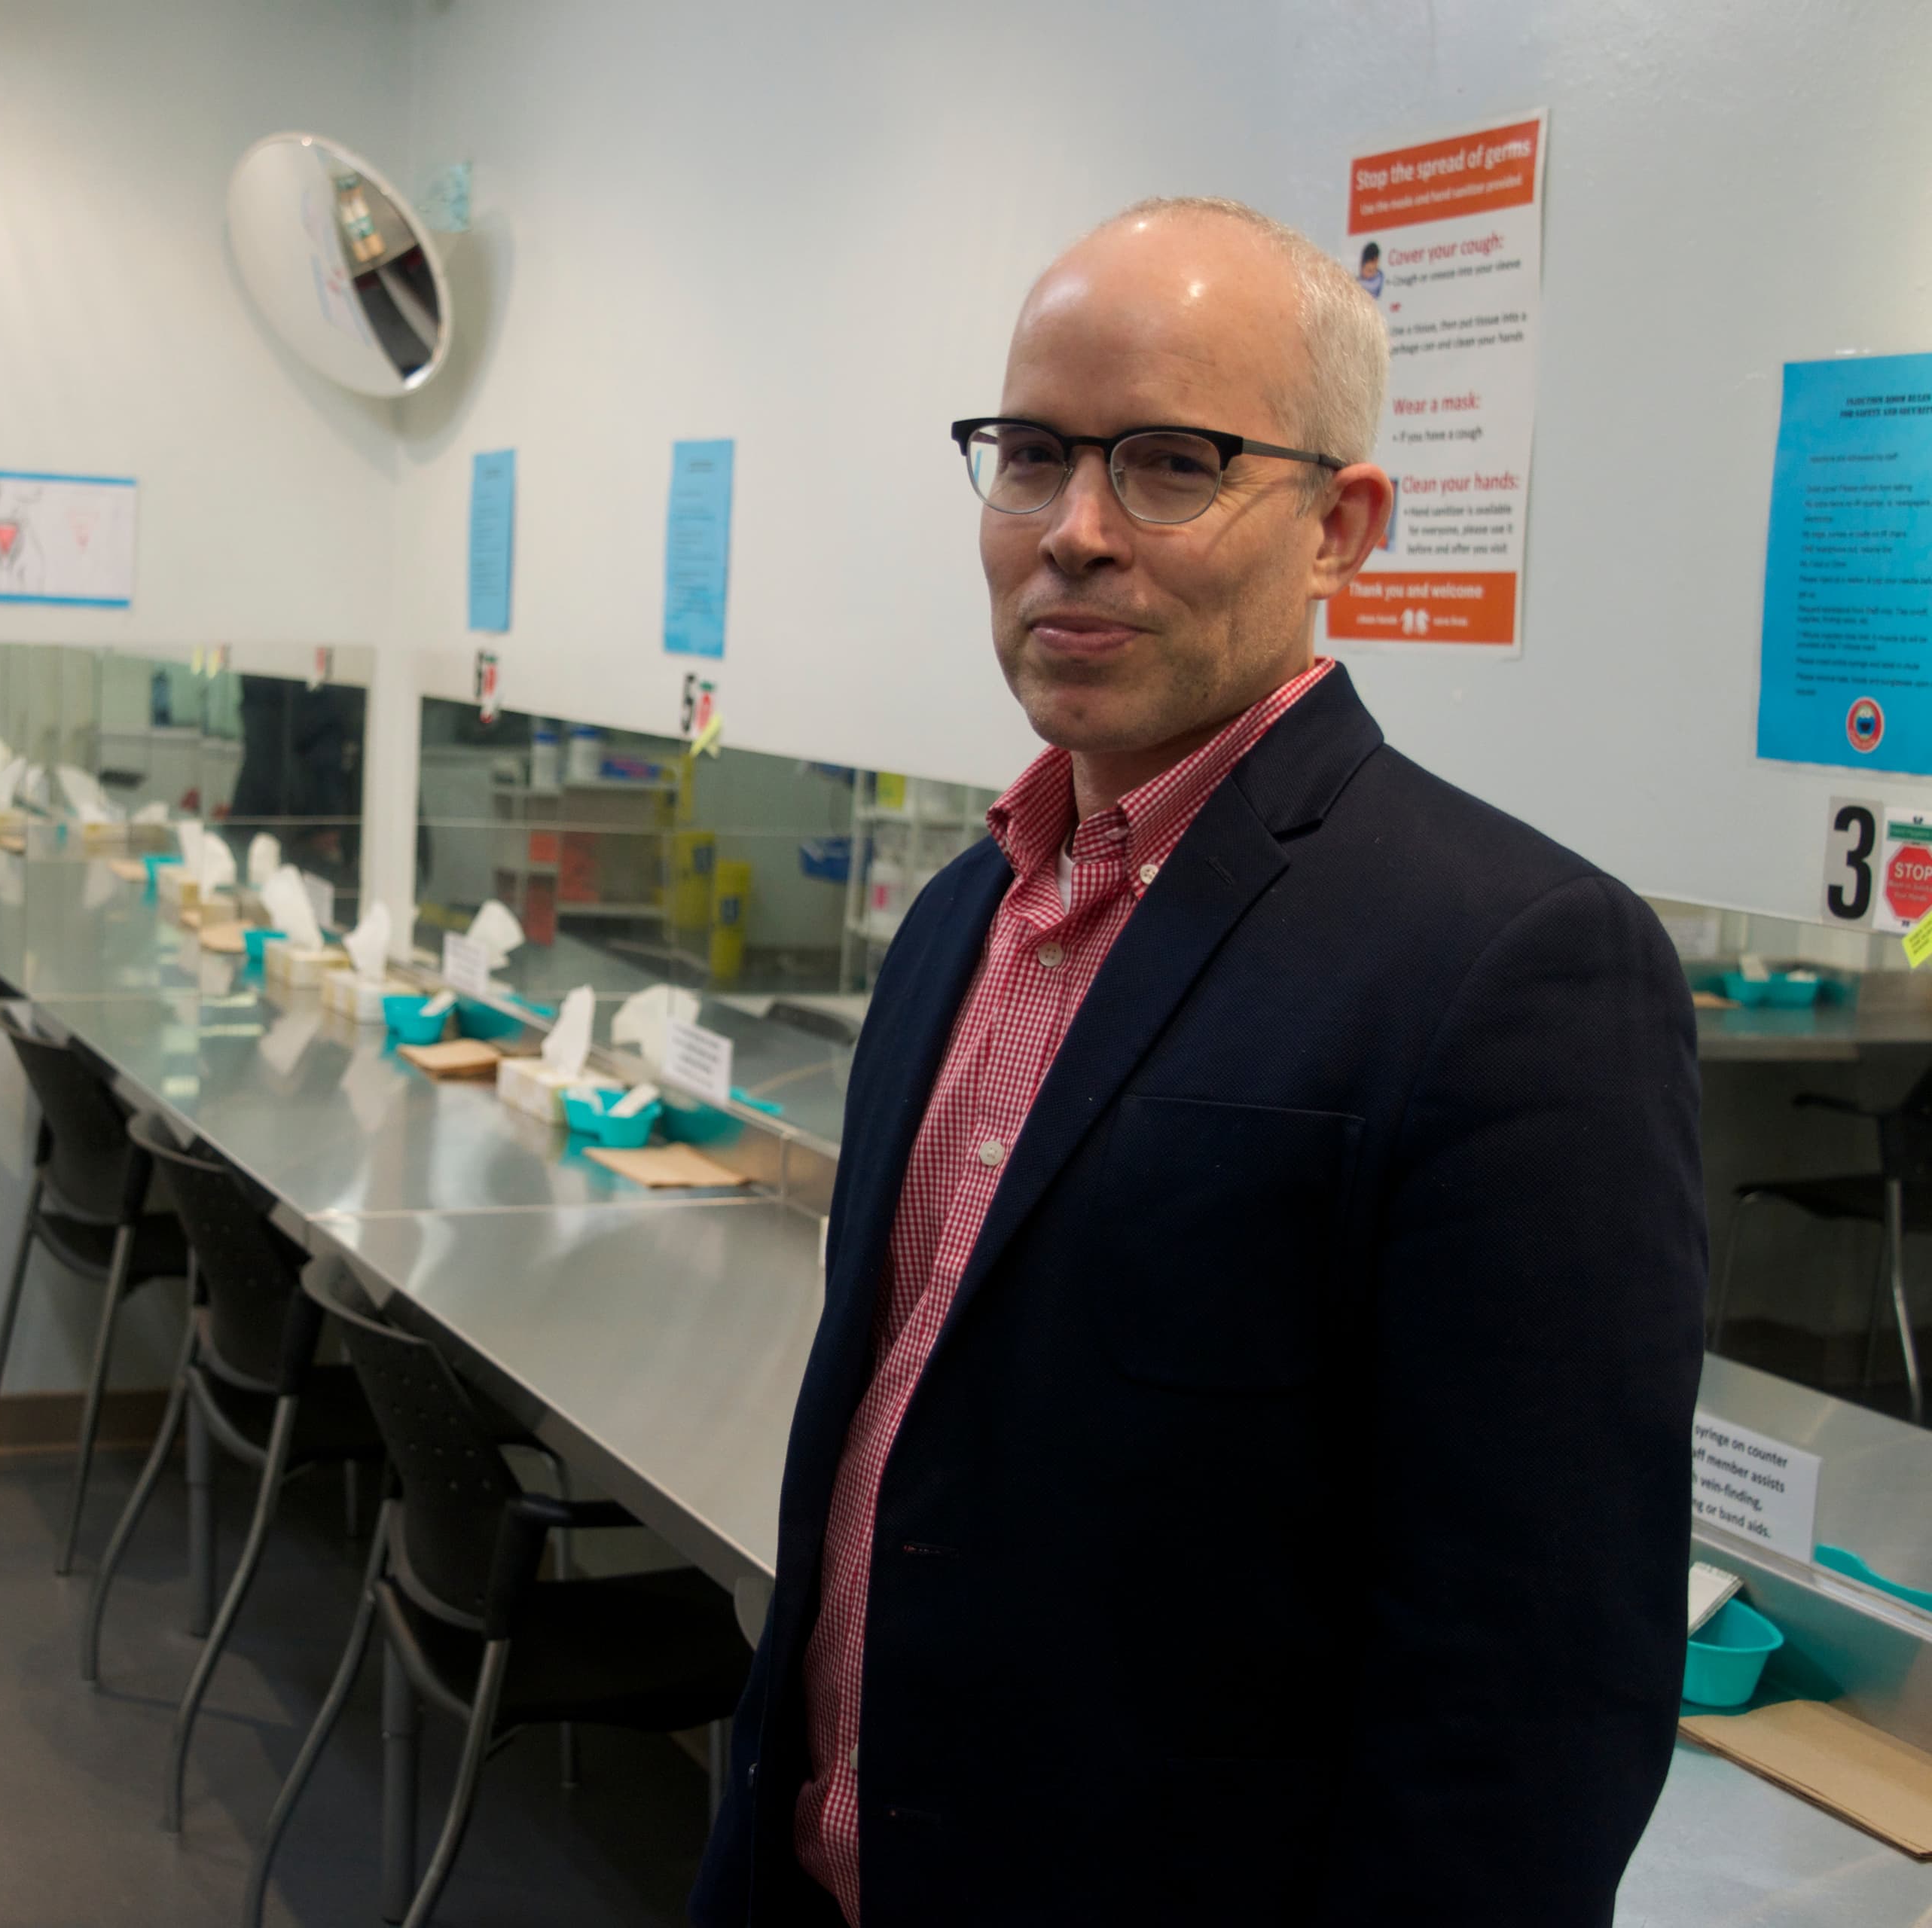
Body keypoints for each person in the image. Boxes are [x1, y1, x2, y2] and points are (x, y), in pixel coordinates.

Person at [692, 198, 1703, 1926]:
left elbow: (1523, 1697)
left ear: (1343, 525)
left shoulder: (1507, 962)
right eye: (1028, 454)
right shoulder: (963, 915)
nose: (1073, 533)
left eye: (1169, 463)